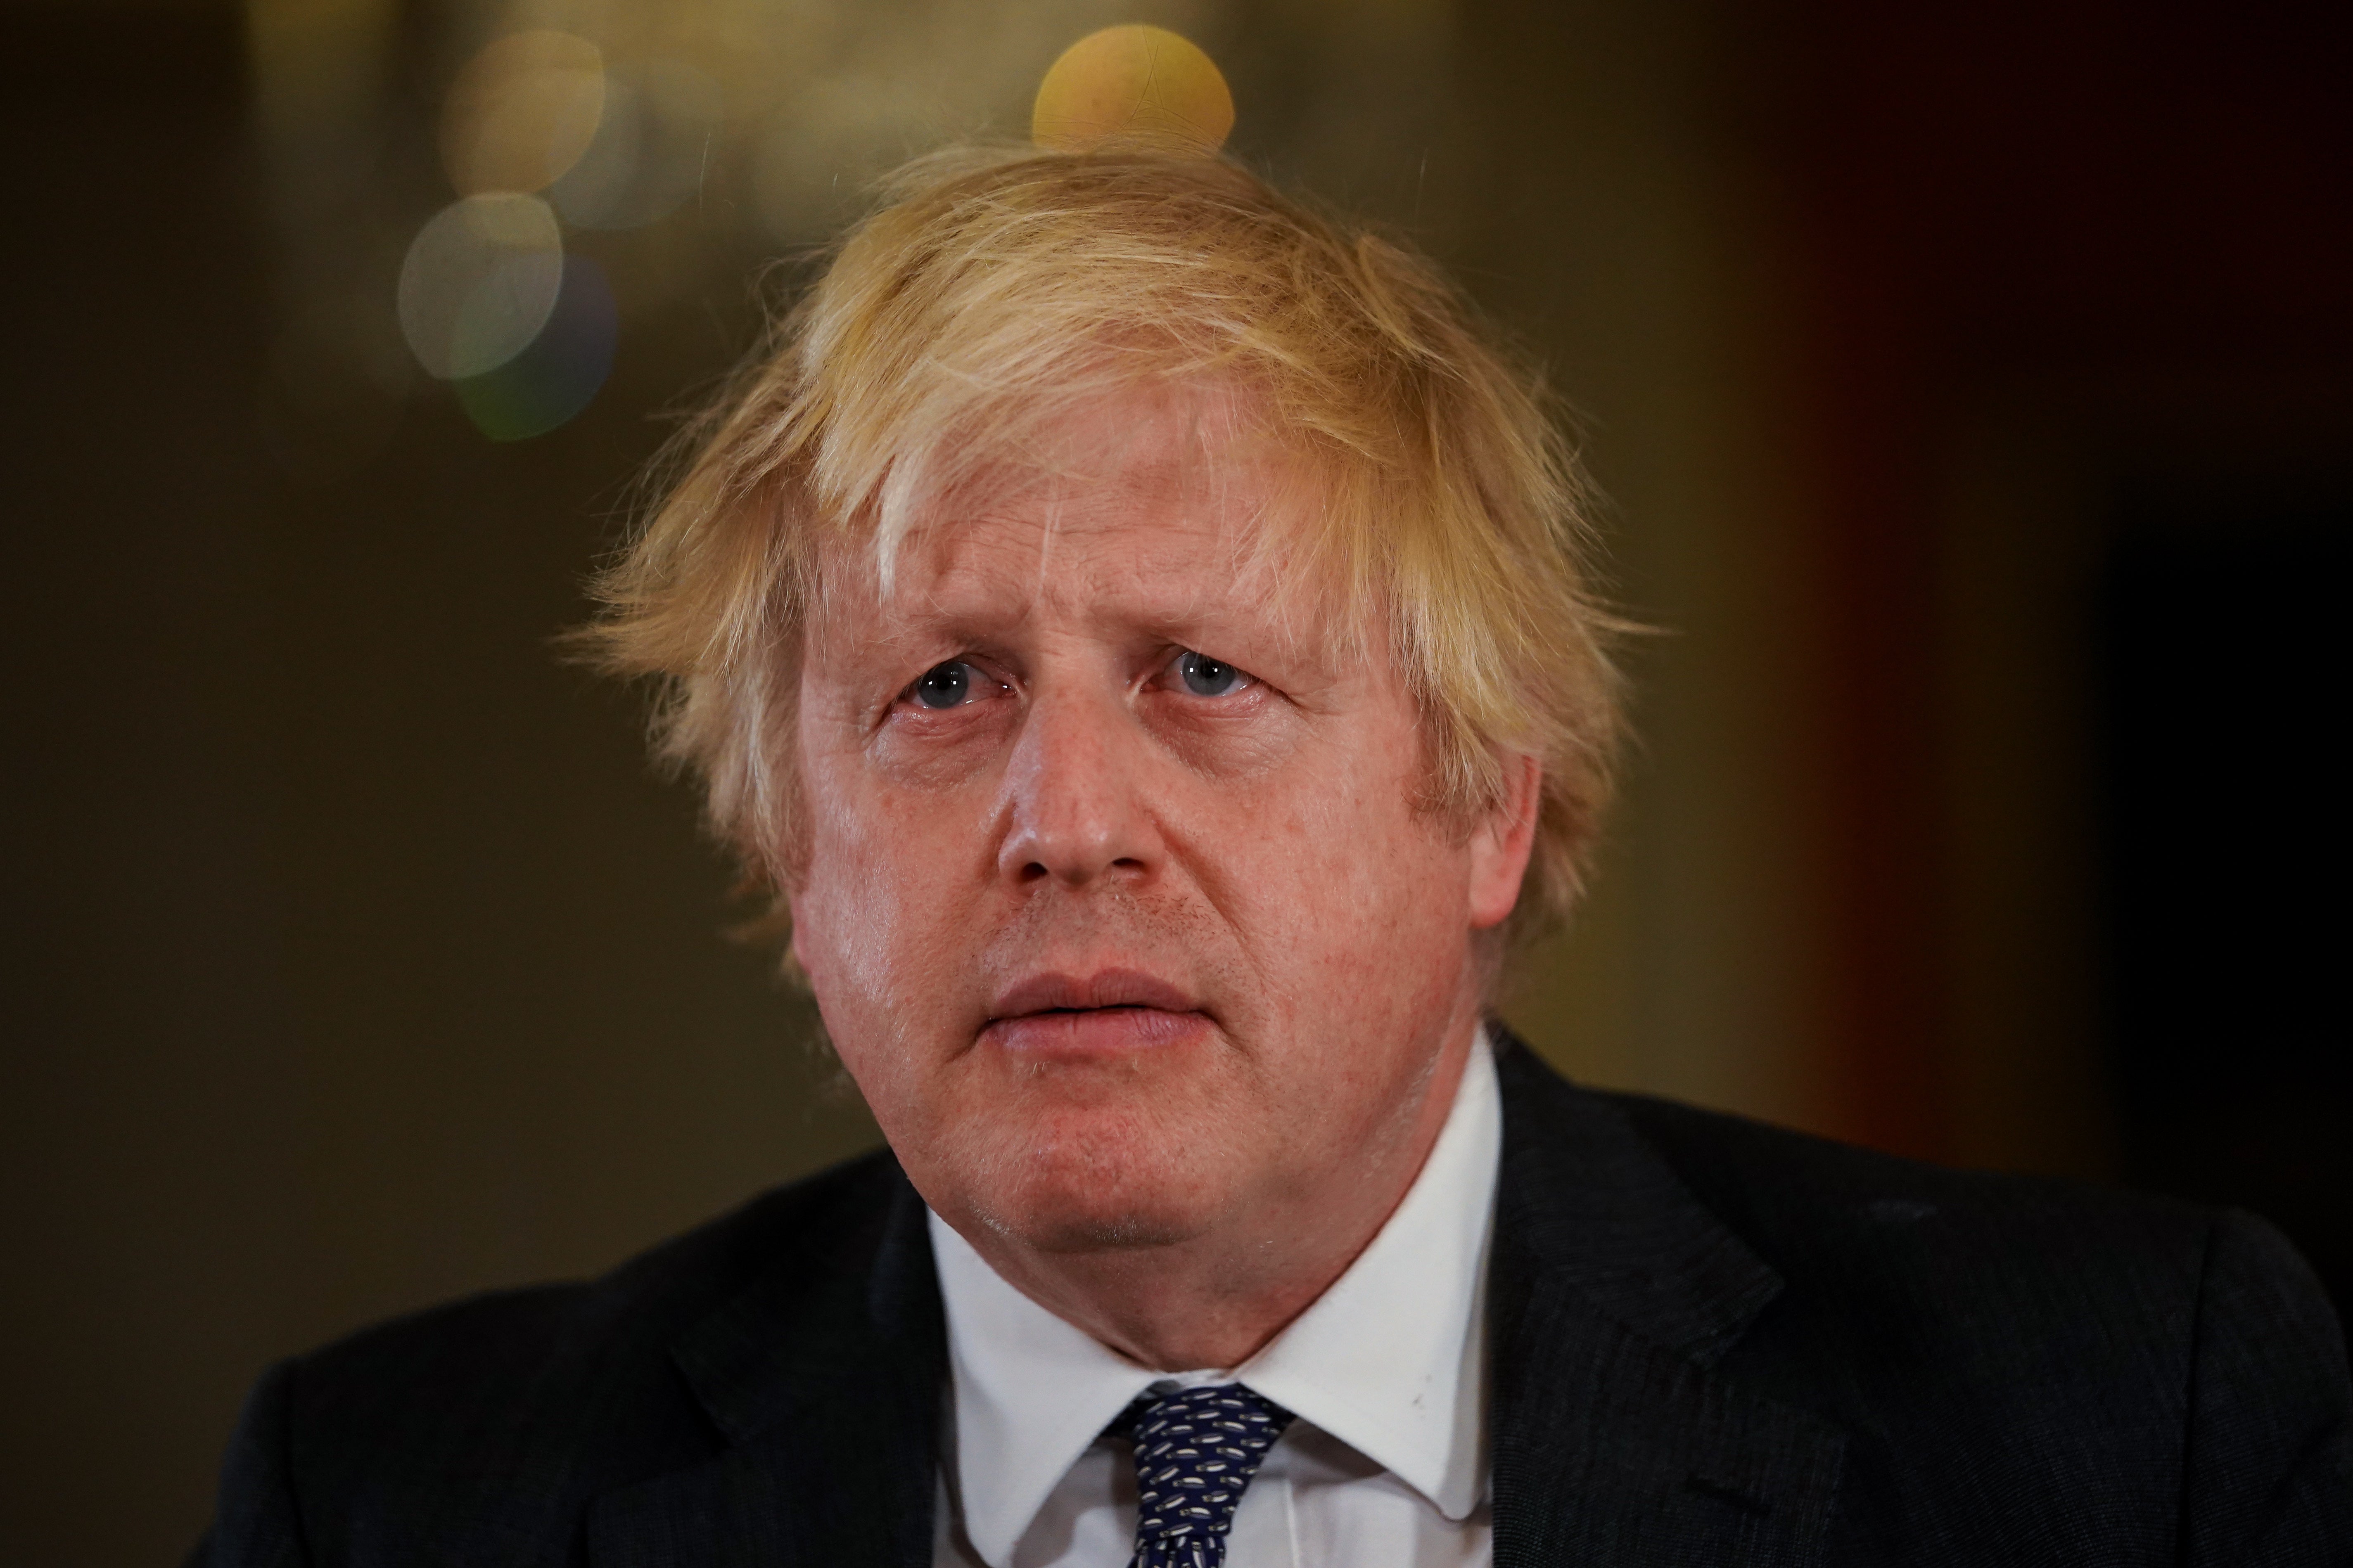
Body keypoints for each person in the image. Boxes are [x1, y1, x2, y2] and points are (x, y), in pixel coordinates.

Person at [190, 143, 2351, 1568]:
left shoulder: (2120, 1432)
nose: (1064, 822)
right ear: (786, 843)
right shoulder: (387, 1502)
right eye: (942, 689)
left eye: (1200, 671)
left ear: (1487, 797)